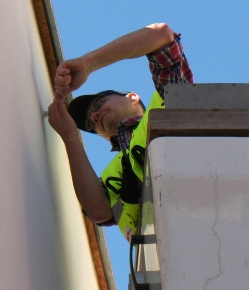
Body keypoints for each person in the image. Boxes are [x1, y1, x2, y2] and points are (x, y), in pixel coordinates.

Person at [47, 23, 192, 240]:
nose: (94, 117)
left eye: (98, 104)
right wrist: (69, 135)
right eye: (90, 125)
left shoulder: (165, 103)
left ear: (132, 97)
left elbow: (162, 35)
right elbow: (98, 212)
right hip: (170, 254)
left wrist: (88, 64)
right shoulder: (115, 172)